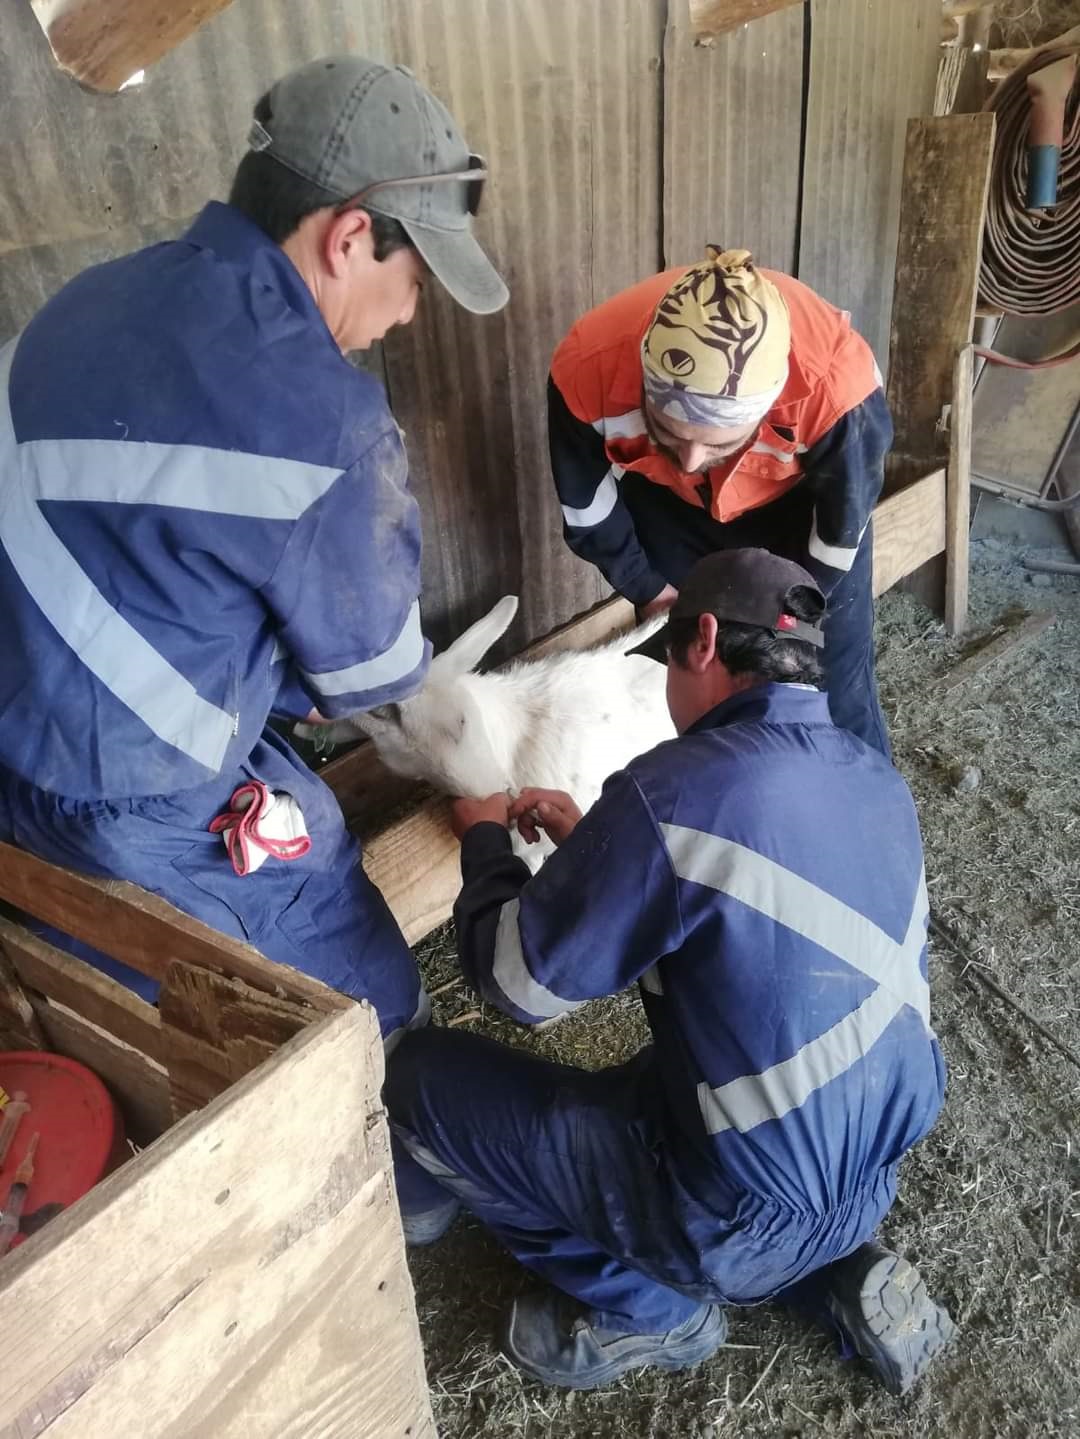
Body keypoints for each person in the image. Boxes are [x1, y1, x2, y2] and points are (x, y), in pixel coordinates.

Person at [0, 55, 507, 1237]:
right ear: (347, 239)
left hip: (16, 744)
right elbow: (373, 677)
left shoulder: (81, 300)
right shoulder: (324, 423)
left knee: (123, 960)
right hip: (135, 798)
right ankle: (402, 1187)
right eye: (416, 269)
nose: (415, 307)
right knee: (331, 908)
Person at [385, 548, 956, 1392]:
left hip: (737, 1214)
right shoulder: (879, 778)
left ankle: (653, 1308)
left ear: (704, 642)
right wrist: (597, 850)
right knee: (747, 1056)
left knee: (419, 1081)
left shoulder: (676, 791)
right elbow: (751, 922)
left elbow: (513, 984)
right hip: (871, 1170)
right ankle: (839, 1262)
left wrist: (481, 839)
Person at [547, 246, 893, 757]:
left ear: (772, 403)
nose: (690, 458)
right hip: (667, 503)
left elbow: (839, 533)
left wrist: (789, 620)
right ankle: (713, 804)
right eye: (667, 428)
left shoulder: (837, 390)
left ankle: (850, 798)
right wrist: (647, 588)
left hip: (796, 506)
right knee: (693, 676)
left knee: (827, 680)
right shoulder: (586, 367)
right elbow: (586, 507)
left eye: (718, 441)